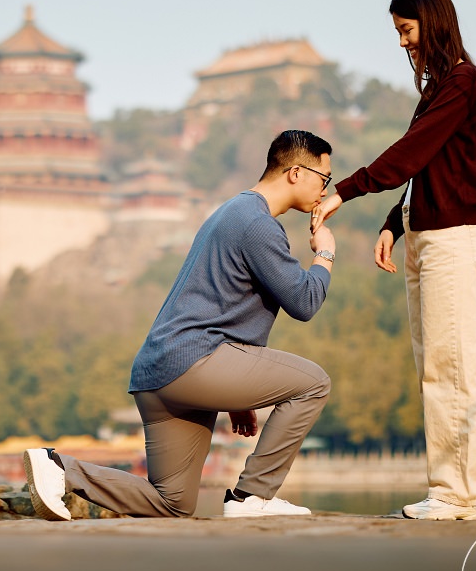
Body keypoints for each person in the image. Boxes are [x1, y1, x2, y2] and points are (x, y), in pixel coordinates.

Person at [23, 129, 337, 519]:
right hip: (196, 363)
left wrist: (234, 396)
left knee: (171, 503)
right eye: (324, 178)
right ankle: (251, 497)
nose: (326, 188)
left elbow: (221, 303)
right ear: (295, 173)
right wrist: (325, 253)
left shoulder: (229, 212)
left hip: (160, 372)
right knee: (313, 384)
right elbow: (304, 302)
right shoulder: (258, 224)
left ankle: (59, 469)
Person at [310, 0, 476, 521]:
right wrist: (394, 223)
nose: (401, 42)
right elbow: (430, 170)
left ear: (431, 22)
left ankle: (459, 494)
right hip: (427, 238)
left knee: (454, 367)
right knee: (438, 369)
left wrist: (344, 191)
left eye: (406, 30)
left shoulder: (463, 82)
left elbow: (413, 152)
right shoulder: (441, 88)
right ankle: (472, 492)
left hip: (453, 243)